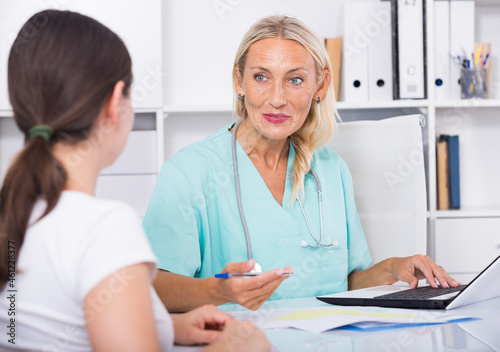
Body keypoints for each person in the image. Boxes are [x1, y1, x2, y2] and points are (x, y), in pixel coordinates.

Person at [143, 15, 460, 313]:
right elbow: (152, 286)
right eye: (261, 77)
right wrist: (217, 292)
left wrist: (392, 269)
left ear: (319, 87)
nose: (277, 98)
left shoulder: (331, 170)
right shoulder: (189, 172)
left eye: (295, 80)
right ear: (239, 82)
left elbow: (341, 284)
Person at [0, 10, 269, 351]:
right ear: (115, 104)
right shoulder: (104, 228)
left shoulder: (14, 213)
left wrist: (167, 325)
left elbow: (58, 320)